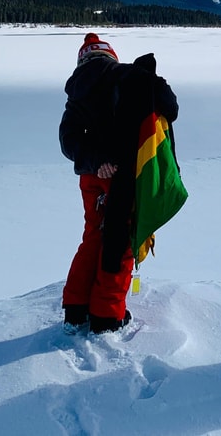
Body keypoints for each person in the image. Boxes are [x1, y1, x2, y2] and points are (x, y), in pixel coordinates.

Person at [59, 33, 179, 334]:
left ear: (82, 61)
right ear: (109, 55)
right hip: (123, 176)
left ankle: (75, 309)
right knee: (120, 242)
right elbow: (171, 107)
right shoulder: (128, 75)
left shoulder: (75, 95)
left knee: (93, 238)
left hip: (91, 177)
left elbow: (68, 140)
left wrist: (96, 162)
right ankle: (106, 316)